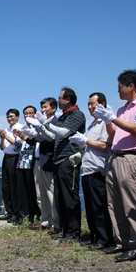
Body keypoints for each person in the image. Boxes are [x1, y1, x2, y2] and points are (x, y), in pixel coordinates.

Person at [93, 70, 136, 262]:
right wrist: (107, 119)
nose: (118, 90)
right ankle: (122, 242)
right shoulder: (121, 110)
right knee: (115, 202)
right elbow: (114, 135)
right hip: (115, 156)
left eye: (120, 86)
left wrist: (112, 118)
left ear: (131, 86)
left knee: (131, 202)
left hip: (131, 157)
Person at [27, 88, 85, 242]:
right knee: (60, 198)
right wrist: (41, 127)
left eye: (60, 98)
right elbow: (52, 136)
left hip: (69, 159)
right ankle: (64, 230)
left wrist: (46, 123)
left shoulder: (77, 115)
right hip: (58, 161)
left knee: (70, 197)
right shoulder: (62, 117)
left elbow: (64, 133)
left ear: (69, 99)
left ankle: (74, 232)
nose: (58, 101)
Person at [69, 93, 114, 250]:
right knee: (90, 206)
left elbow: (104, 145)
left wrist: (86, 141)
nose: (90, 107)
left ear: (102, 104)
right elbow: (88, 145)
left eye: (92, 104)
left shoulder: (105, 123)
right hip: (87, 169)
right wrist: (82, 144)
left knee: (99, 205)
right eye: (88, 104)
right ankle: (94, 236)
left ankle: (105, 238)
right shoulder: (91, 124)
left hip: (98, 168)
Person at [29, 98, 59, 232]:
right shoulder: (38, 123)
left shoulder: (55, 122)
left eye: (45, 107)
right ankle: (45, 220)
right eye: (41, 107)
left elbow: (48, 138)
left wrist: (35, 134)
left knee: (51, 193)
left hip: (47, 161)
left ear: (54, 108)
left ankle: (55, 222)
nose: (42, 110)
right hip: (36, 161)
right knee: (40, 194)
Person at [12, 106, 39, 226]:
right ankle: (23, 217)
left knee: (32, 192)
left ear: (35, 114)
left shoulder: (38, 128)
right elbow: (16, 148)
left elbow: (37, 145)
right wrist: (16, 139)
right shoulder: (22, 128)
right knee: (21, 193)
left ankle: (35, 216)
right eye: (25, 114)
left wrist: (26, 138)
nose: (27, 116)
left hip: (32, 163)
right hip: (21, 163)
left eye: (30, 113)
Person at [0, 109, 23, 222]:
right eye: (8, 117)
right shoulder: (6, 130)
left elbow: (18, 145)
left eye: (12, 116)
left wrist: (6, 136)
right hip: (6, 157)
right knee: (6, 186)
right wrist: (3, 138)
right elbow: (2, 148)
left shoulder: (21, 128)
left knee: (14, 186)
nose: (9, 119)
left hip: (16, 157)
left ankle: (16, 214)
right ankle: (9, 211)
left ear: (17, 117)